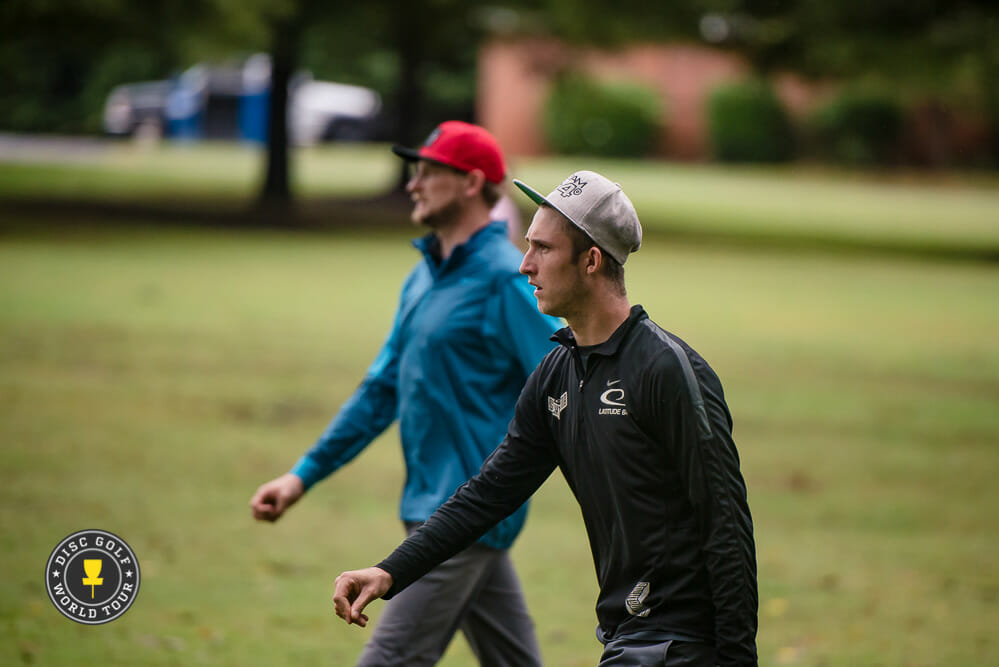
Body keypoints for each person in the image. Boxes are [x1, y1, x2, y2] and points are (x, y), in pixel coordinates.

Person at [332, 170, 759, 666]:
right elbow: (489, 492)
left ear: (592, 261)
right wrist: (390, 572)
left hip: (681, 645)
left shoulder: (666, 370)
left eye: (543, 249)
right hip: (624, 636)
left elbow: (725, 524)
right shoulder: (557, 373)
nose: (524, 265)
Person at [250, 121, 560, 667]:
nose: (413, 184)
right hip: (435, 510)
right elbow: (381, 391)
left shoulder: (505, 281)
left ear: (469, 183)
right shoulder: (423, 278)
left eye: (426, 172)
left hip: (463, 517)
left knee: (388, 660)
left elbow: (562, 388)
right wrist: (302, 475)